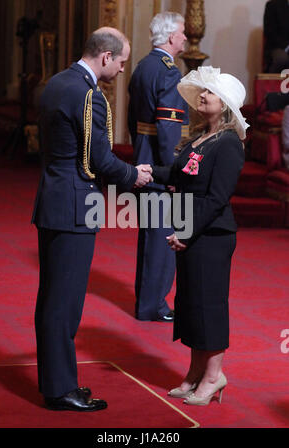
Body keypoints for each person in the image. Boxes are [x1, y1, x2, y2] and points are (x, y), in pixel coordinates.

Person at [32, 27, 153, 412]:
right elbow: (98, 160)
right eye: (120, 62)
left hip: (52, 199)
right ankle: (59, 390)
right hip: (73, 206)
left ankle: (59, 381)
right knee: (63, 304)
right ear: (105, 57)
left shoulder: (55, 83)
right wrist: (134, 175)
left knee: (52, 298)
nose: (120, 70)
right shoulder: (88, 96)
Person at [151, 66, 249, 406]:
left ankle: (213, 376)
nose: (202, 96)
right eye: (202, 91)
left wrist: (187, 232)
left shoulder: (229, 144)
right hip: (191, 231)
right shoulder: (199, 138)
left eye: (210, 92)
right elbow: (180, 174)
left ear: (225, 105)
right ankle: (194, 372)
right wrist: (149, 171)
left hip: (211, 235)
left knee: (209, 306)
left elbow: (216, 198)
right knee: (190, 304)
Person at [128, 11, 189, 322]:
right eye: (181, 33)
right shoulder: (168, 72)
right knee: (162, 235)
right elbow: (167, 129)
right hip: (158, 163)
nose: (185, 37)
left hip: (142, 155)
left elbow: (131, 118)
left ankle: (148, 300)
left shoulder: (143, 66)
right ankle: (154, 305)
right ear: (169, 37)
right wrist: (172, 172)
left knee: (151, 232)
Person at [263, 0, 289, 73]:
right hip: (278, 47)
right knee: (281, 58)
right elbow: (269, 32)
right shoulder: (272, 5)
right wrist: (286, 47)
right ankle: (273, 83)